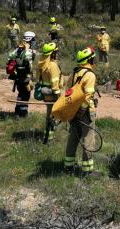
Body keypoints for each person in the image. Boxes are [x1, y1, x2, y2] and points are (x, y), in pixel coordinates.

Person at [64, 47, 100, 177]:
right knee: (88, 140)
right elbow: (88, 95)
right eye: (93, 58)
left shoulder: (73, 74)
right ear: (89, 59)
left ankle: (68, 166)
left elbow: (67, 93)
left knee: (73, 139)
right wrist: (82, 111)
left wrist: (73, 111)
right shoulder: (89, 75)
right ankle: (87, 171)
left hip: (74, 111)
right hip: (85, 113)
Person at [36, 42, 61, 141]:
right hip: (52, 95)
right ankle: (49, 137)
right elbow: (55, 85)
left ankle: (47, 134)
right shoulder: (52, 66)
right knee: (53, 116)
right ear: (52, 53)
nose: (57, 53)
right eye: (56, 52)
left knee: (49, 114)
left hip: (46, 95)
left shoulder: (42, 64)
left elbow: (38, 79)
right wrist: (59, 98)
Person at [8, 31, 36, 117]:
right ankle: (23, 113)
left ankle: (17, 111)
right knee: (26, 94)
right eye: (33, 39)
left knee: (20, 93)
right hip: (26, 76)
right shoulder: (29, 51)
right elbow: (30, 61)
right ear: (30, 39)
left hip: (18, 76)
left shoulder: (17, 49)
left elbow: (10, 56)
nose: (34, 41)